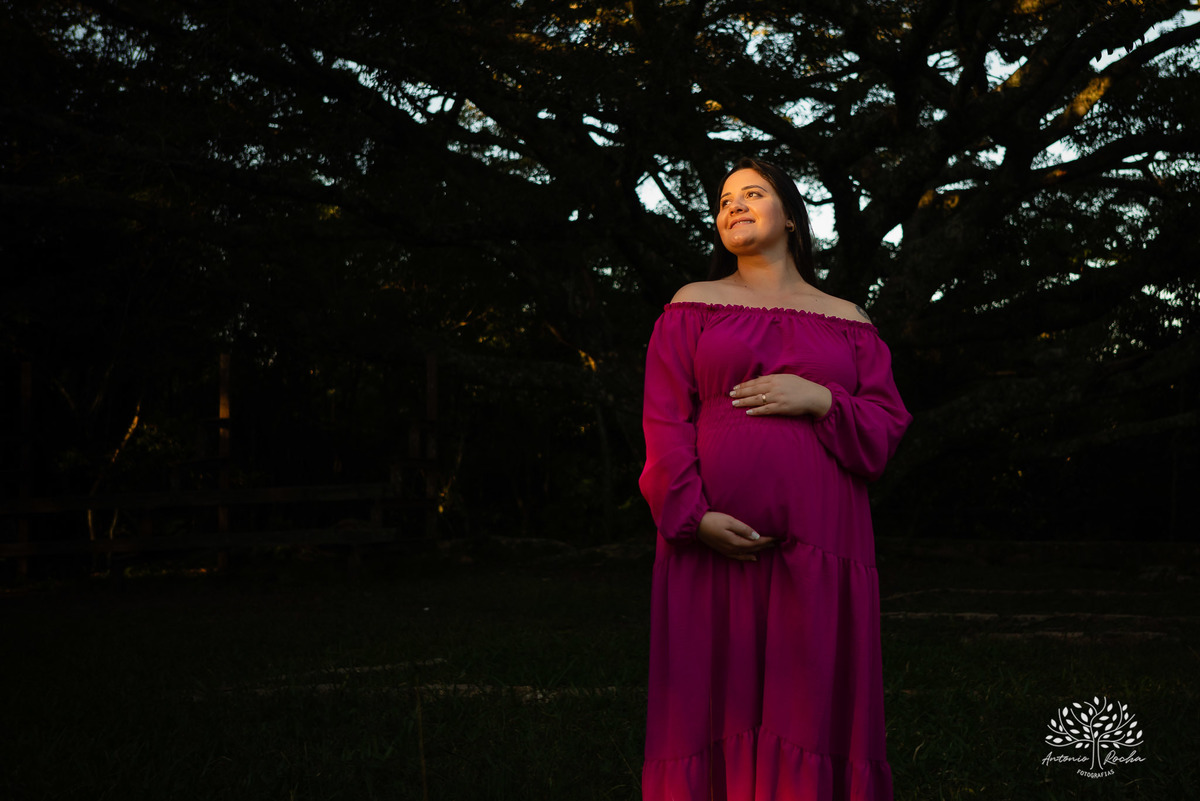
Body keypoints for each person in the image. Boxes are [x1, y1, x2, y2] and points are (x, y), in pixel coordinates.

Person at [638, 156, 912, 800]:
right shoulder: (691, 306)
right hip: (710, 543)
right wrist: (692, 516)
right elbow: (665, 421)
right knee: (712, 700)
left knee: (809, 700)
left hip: (825, 546)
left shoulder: (849, 319)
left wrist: (819, 400)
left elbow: (884, 426)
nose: (732, 205)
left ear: (790, 215)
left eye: (752, 193)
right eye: (724, 199)